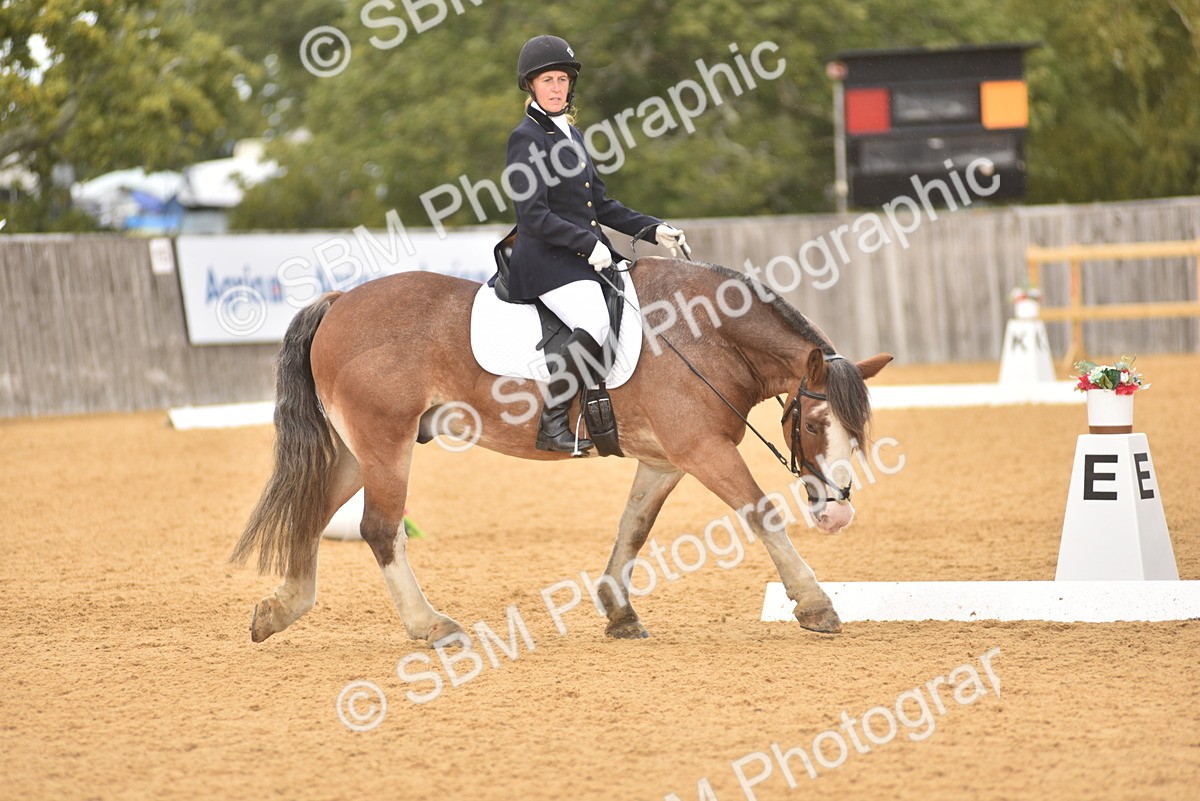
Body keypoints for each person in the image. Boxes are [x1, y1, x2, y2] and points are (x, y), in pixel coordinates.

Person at [505, 34, 687, 453]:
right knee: (594, 321)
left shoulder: (572, 133)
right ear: (531, 86)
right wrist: (587, 245)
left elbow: (600, 204)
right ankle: (551, 424)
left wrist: (652, 228)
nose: (556, 87)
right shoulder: (526, 138)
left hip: (583, 255)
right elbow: (531, 215)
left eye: (562, 80)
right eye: (547, 80)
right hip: (547, 262)